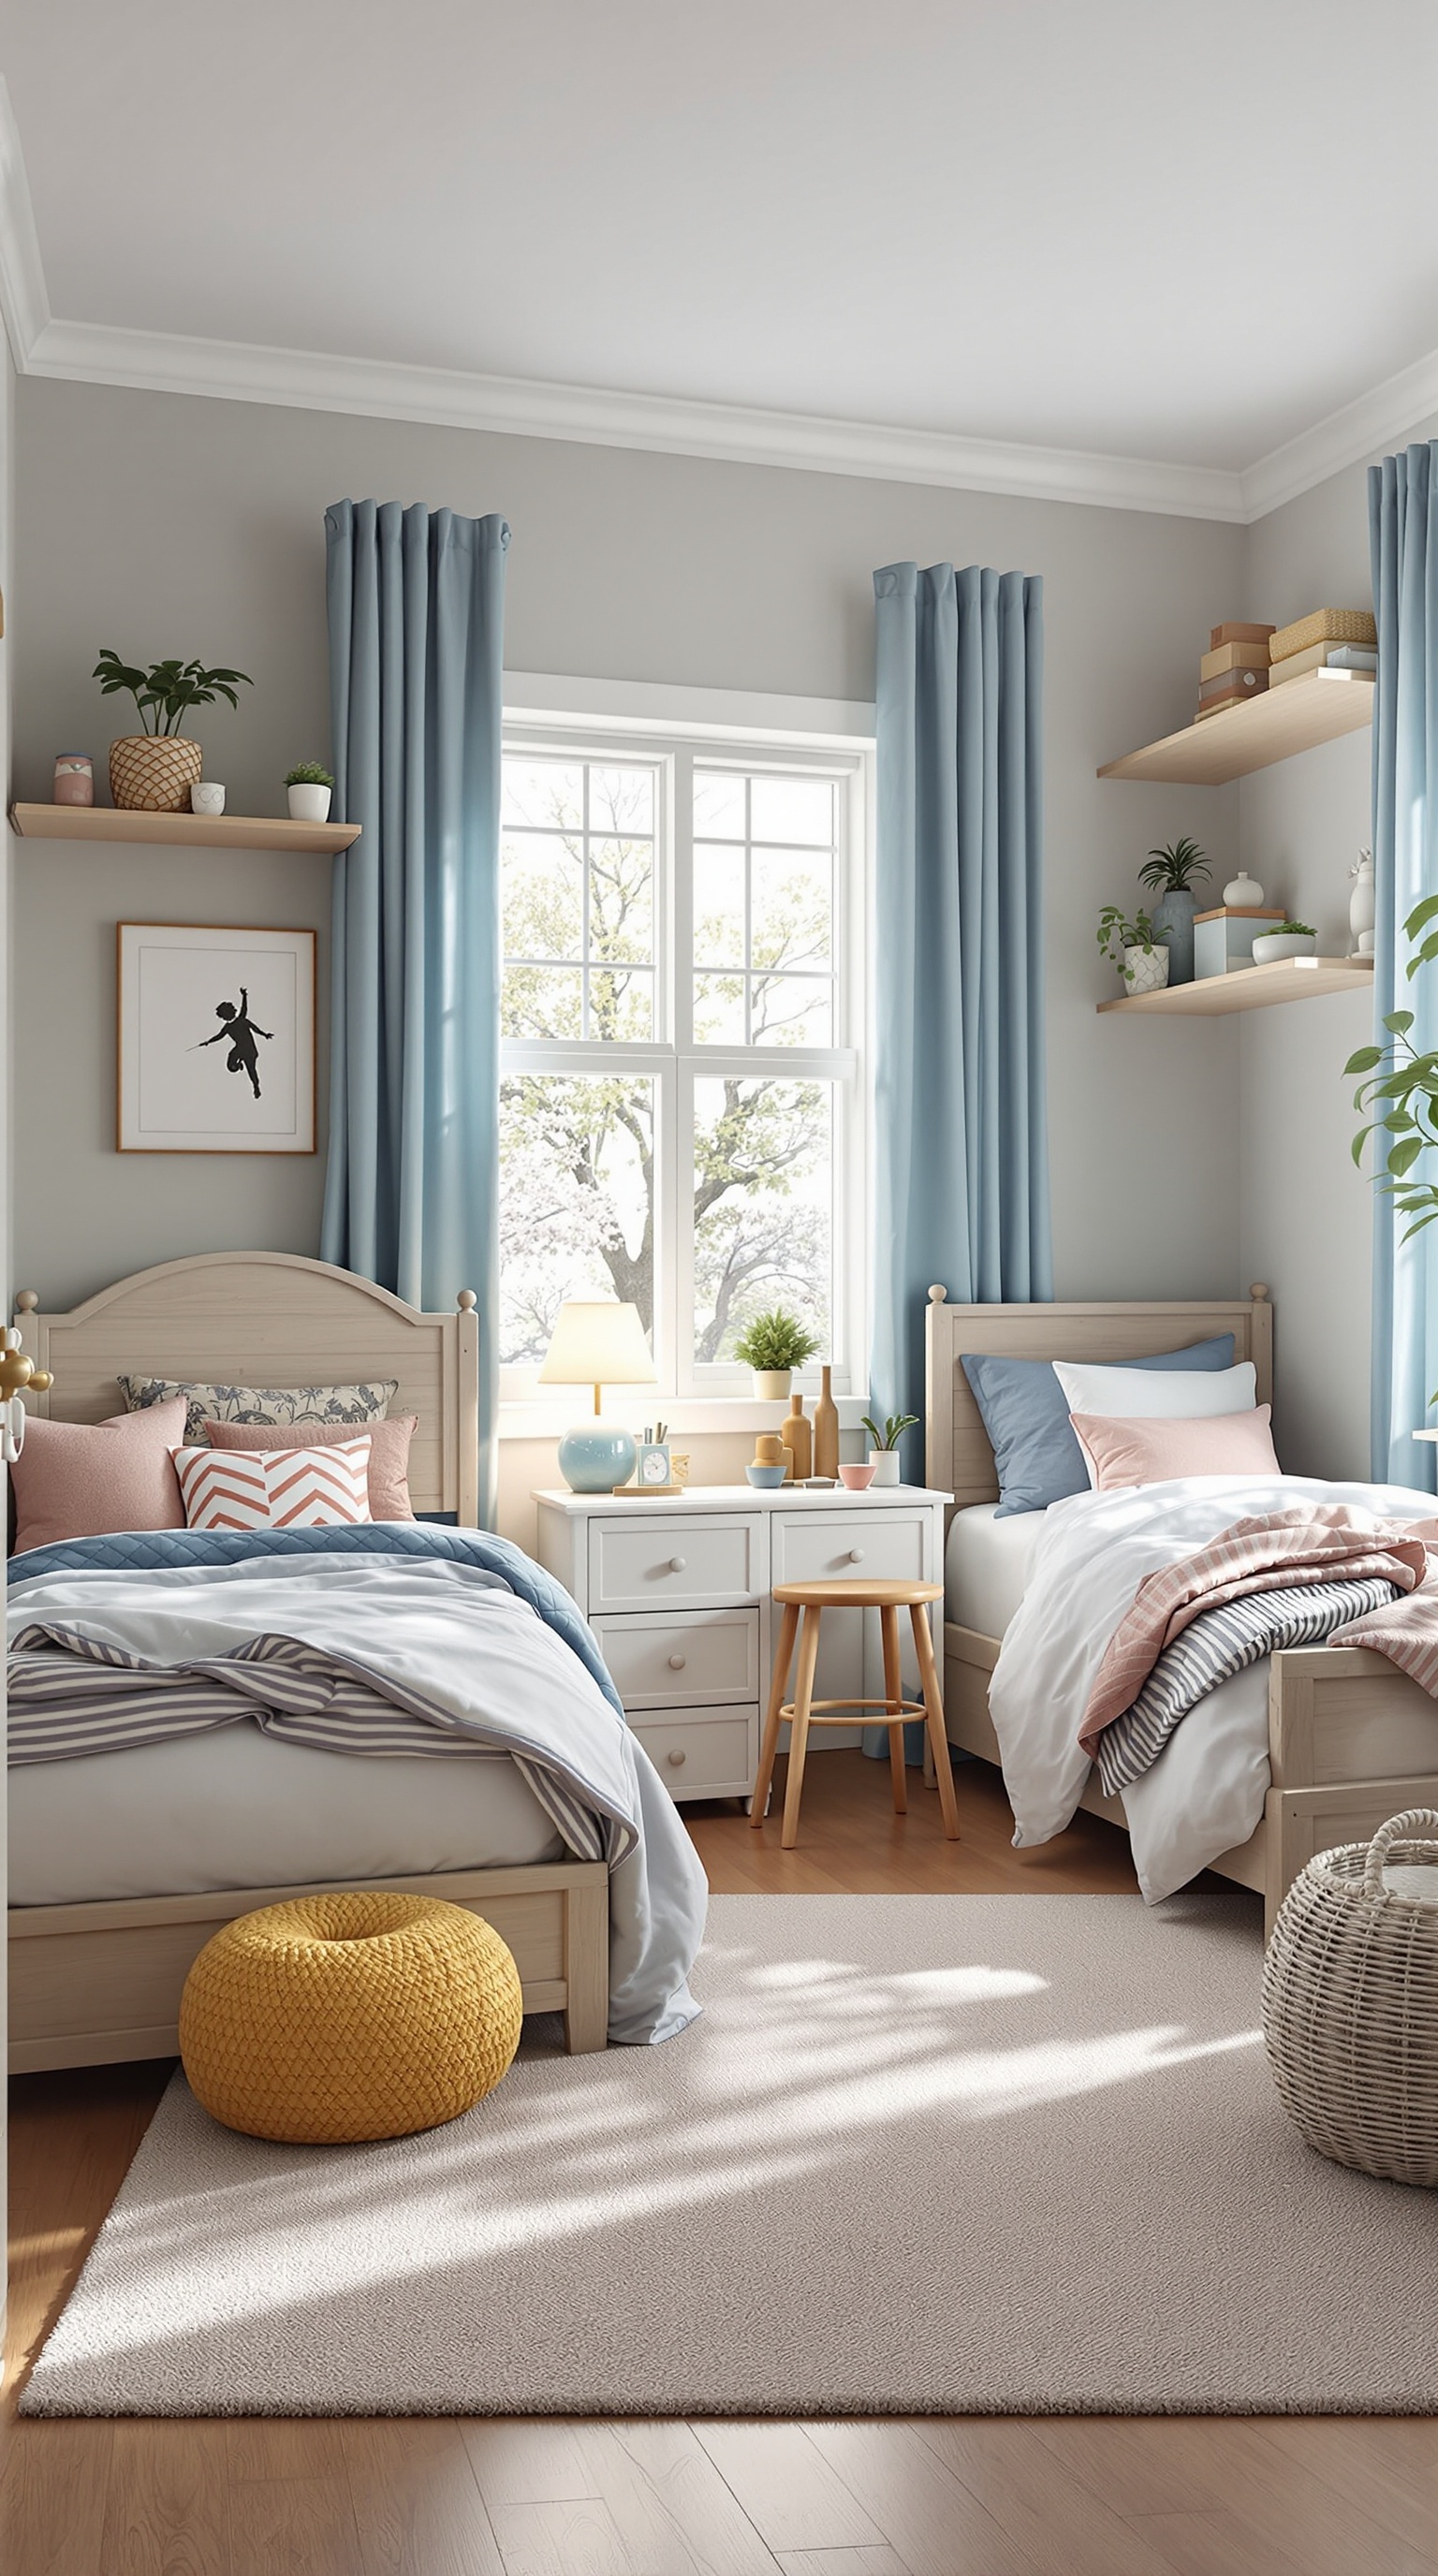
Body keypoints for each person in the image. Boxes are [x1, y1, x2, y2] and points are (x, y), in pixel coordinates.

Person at [198, 987, 272, 1100]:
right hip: (239, 1049)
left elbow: (253, 1025)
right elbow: (219, 1036)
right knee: (231, 1064)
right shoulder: (228, 1027)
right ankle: (238, 1064)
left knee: (251, 1070)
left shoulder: (242, 1020)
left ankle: (256, 1087)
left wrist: (264, 1034)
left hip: (249, 1051)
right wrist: (208, 1042)